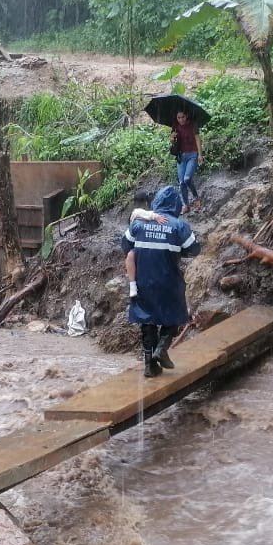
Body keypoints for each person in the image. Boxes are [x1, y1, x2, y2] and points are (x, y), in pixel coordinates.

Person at [120, 186, 201, 377]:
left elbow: (125, 244)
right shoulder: (179, 226)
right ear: (176, 205)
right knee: (176, 313)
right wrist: (176, 250)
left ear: (156, 202)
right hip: (168, 282)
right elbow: (194, 249)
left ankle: (149, 365)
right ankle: (162, 348)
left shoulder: (138, 224)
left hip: (142, 283)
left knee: (147, 322)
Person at [171, 109, 204, 214]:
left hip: (192, 154)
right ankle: (186, 205)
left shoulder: (193, 124)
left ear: (187, 116)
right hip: (181, 156)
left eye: (183, 117)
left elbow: (198, 139)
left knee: (187, 178)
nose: (181, 119)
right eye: (178, 117)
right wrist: (172, 137)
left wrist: (200, 154)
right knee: (181, 183)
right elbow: (172, 141)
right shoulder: (175, 125)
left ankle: (196, 197)